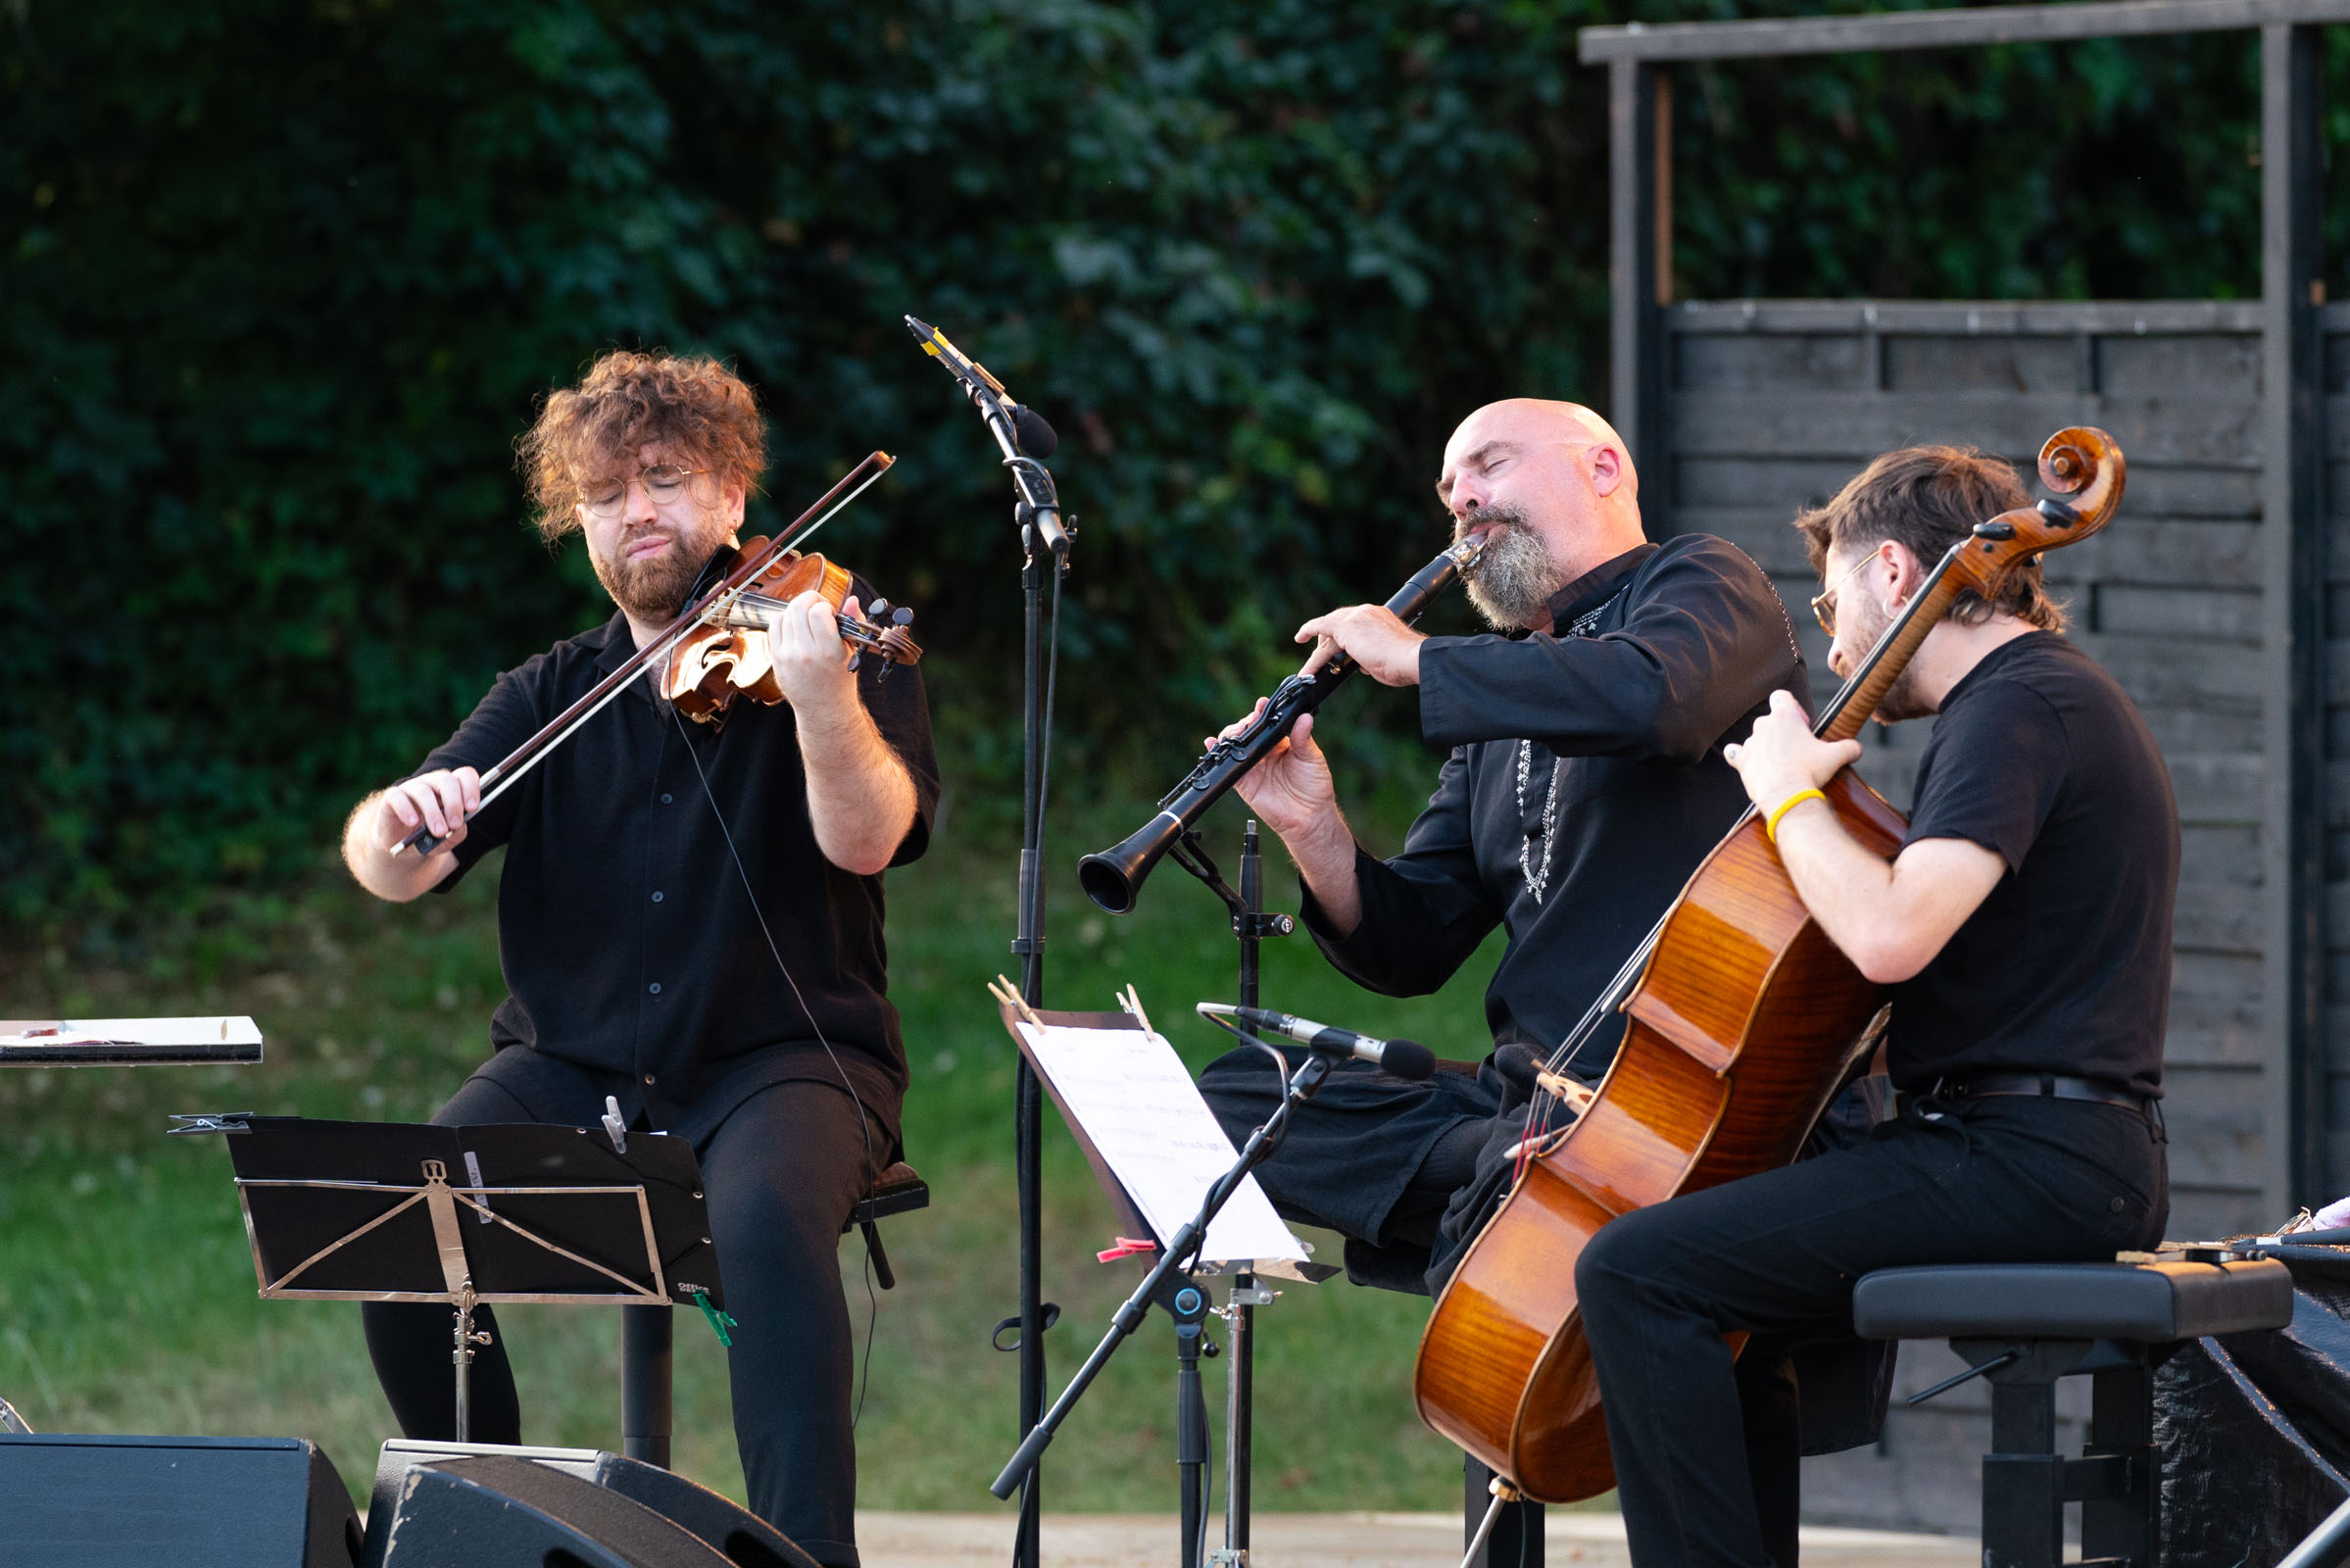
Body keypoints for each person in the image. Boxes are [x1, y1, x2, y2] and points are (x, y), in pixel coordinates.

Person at [340, 350, 937, 1568]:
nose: (637, 514)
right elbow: (386, 862)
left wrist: (825, 698)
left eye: (664, 480)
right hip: (572, 1064)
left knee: (765, 1219)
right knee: (407, 1224)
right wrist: (401, 818)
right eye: (607, 494)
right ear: (580, 520)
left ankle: (808, 1555)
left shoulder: (826, 643)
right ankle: (480, 1522)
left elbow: (869, 839)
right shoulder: (553, 687)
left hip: (788, 1057)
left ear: (729, 496)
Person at [1573, 444, 2177, 1568]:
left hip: (2030, 1155)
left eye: (1831, 595)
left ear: (1896, 573)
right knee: (1723, 1296)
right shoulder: (2037, 701)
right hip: (2055, 1146)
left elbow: (1891, 934)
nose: (1832, 637)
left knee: (1636, 1269)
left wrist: (1789, 790)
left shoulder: (2017, 703)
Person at [1197, 398, 1807, 1294]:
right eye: (1450, 491)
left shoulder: (1702, 580)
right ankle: (1513, 1188)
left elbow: (1658, 700)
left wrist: (1419, 659)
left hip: (1672, 1086)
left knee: (1508, 1167)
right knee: (1238, 1101)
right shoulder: (1499, 703)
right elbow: (1410, 944)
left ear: (1603, 469)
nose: (1463, 503)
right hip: (1531, 1095)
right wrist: (1310, 824)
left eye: (1489, 465)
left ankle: (1505, 1198)